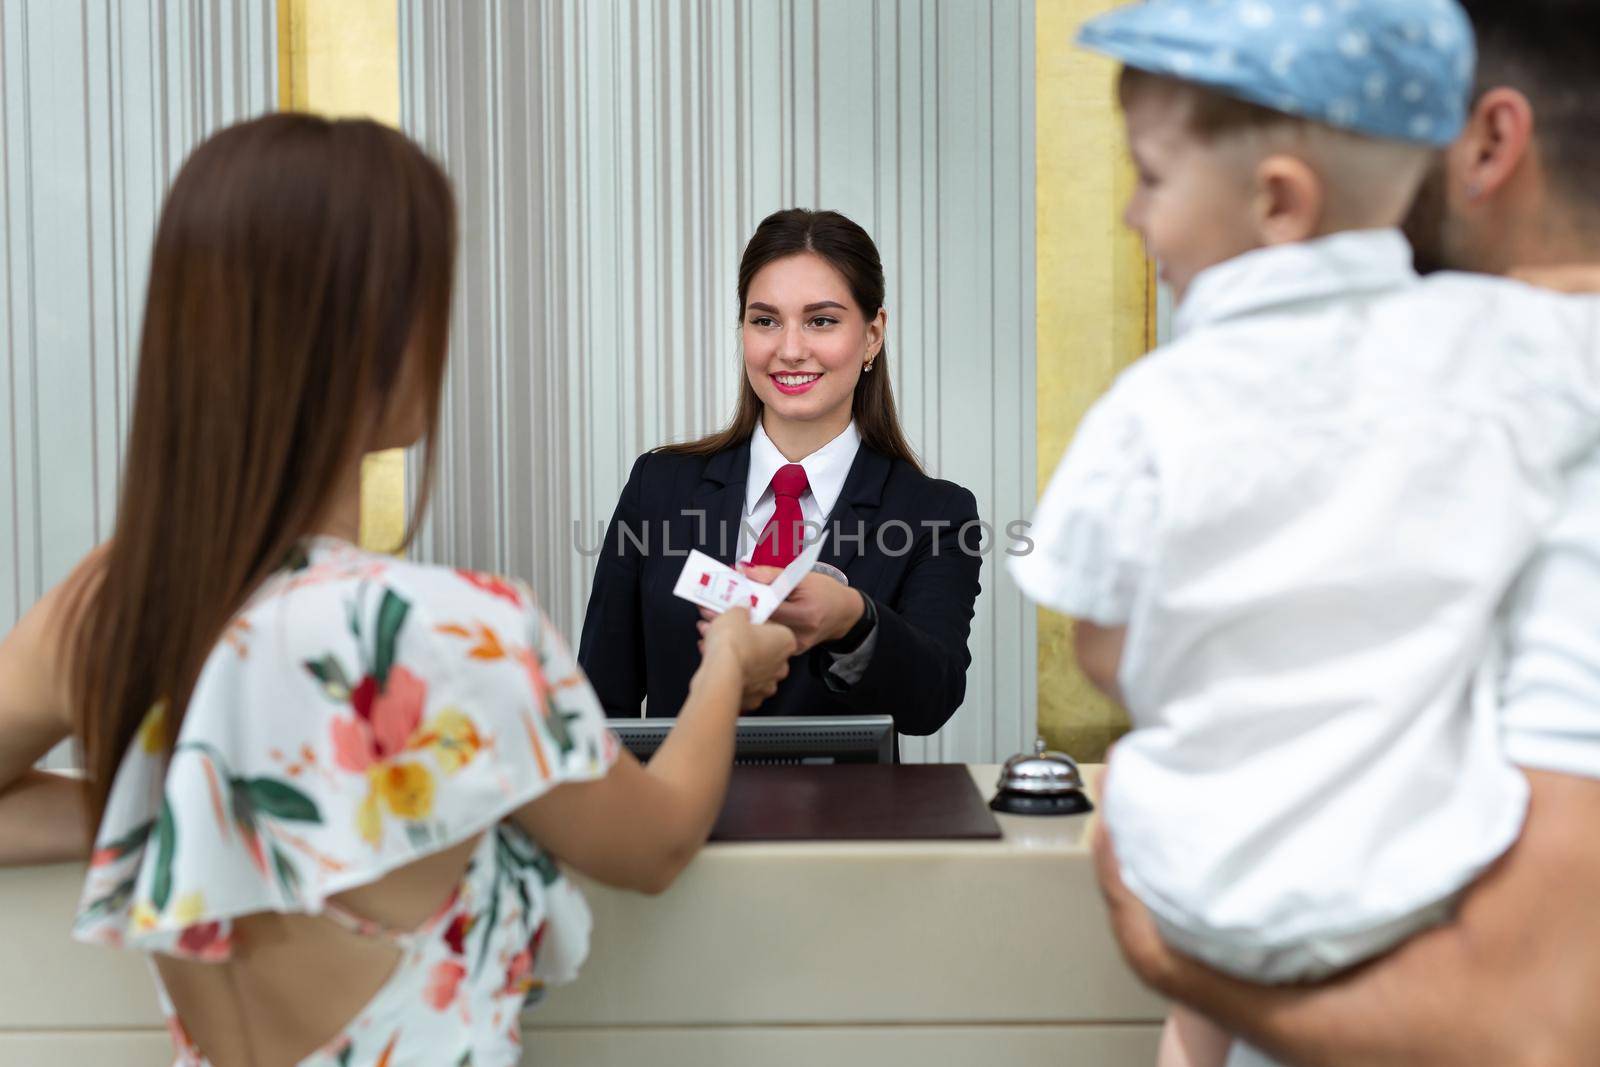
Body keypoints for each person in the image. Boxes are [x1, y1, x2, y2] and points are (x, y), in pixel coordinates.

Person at [0, 114, 796, 1067]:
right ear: (384, 340)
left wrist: (201, 795)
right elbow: (656, 842)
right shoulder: (458, 629)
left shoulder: (109, 599)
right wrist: (731, 663)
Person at [1008, 3, 1600, 1066]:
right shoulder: (1502, 356)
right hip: (1407, 880)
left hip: (1210, 897)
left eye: (1148, 177)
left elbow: (1101, 643)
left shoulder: (1159, 403)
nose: (1134, 214)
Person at [578, 208, 982, 739]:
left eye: (822, 320)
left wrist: (854, 621)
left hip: (846, 819)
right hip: (681, 817)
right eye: (765, 320)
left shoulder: (936, 514)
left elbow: (931, 701)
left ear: (872, 335)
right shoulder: (660, 486)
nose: (790, 350)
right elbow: (602, 703)